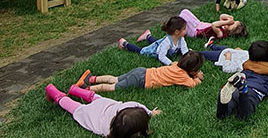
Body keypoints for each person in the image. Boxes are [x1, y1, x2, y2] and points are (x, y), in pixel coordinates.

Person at [45, 83, 160, 138]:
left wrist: (150, 112)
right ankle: (55, 93)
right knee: (76, 108)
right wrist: (150, 113)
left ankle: (75, 90)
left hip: (105, 104)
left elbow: (140, 106)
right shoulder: (107, 131)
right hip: (93, 115)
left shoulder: (130, 106)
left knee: (95, 98)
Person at [73, 51, 205, 92]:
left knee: (115, 78)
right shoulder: (183, 77)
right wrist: (197, 78)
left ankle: (92, 78)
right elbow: (193, 84)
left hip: (142, 71)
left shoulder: (175, 65)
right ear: (192, 70)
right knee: (114, 87)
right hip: (141, 80)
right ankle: (87, 89)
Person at [216, 40, 268, 120]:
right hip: (253, 92)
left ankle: (222, 106)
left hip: (235, 90)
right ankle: (243, 91)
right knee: (245, 114)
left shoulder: (246, 65)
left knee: (227, 109)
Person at [118, 16, 188, 66]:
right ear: (176, 32)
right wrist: (170, 63)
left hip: (160, 45)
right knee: (141, 51)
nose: (186, 30)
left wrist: (188, 57)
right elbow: (161, 56)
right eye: (184, 29)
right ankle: (124, 43)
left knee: (156, 42)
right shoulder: (167, 42)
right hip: (154, 52)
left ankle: (147, 36)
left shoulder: (181, 39)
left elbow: (185, 50)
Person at [178, 9, 247, 41]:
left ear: (231, 32)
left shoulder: (221, 34)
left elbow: (214, 25)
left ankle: (179, 29)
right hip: (198, 24)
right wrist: (229, 17)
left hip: (195, 31)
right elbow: (221, 16)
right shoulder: (224, 27)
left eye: (232, 24)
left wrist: (227, 22)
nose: (231, 23)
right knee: (185, 11)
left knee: (182, 17)